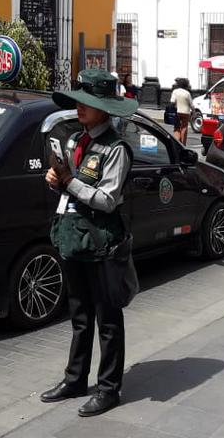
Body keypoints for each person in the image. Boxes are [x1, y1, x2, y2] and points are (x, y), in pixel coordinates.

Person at [42, 69, 138, 417]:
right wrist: (57, 180)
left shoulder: (117, 149)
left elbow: (107, 199)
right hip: (73, 235)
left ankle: (110, 388)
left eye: (88, 103)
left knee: (107, 319)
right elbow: (72, 185)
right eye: (79, 101)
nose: (80, 108)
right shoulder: (76, 140)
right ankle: (75, 379)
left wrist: (68, 181)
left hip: (101, 241)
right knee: (79, 314)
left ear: (105, 109)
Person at [169, 77, 193, 144]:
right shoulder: (187, 93)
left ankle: (177, 143)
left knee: (177, 127)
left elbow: (172, 101)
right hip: (186, 112)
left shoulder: (175, 91)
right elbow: (191, 104)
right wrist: (193, 111)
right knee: (184, 128)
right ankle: (183, 143)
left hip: (177, 112)